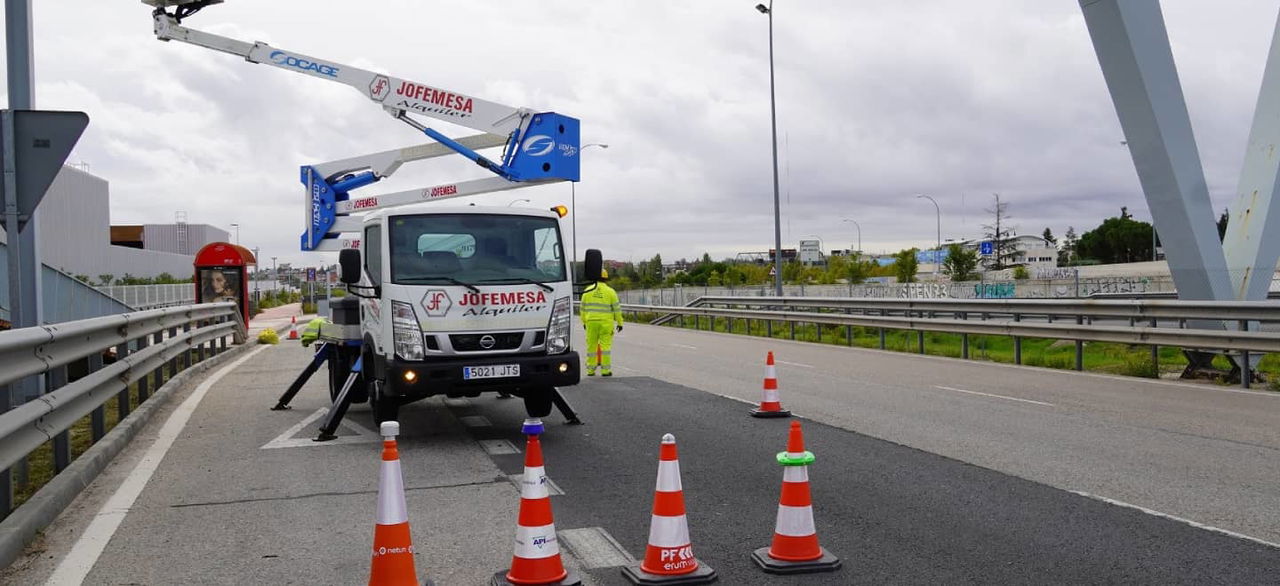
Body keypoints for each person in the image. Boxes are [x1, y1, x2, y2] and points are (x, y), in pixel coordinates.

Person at [580, 268, 623, 376]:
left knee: (591, 347)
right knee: (605, 347)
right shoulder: (610, 291)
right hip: (606, 323)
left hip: (591, 322)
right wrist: (620, 323)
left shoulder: (587, 290)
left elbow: (582, 309)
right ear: (606, 279)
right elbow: (617, 309)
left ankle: (590, 370)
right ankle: (605, 370)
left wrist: (584, 322)